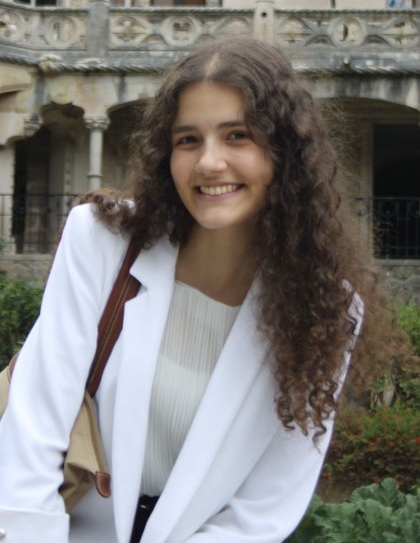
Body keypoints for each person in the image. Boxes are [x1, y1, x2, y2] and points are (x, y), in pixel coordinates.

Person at [0, 37, 382, 542]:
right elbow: (32, 431)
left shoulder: (325, 307)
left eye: (237, 136)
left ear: (285, 152)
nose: (209, 162)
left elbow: (262, 509)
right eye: (188, 140)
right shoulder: (100, 243)